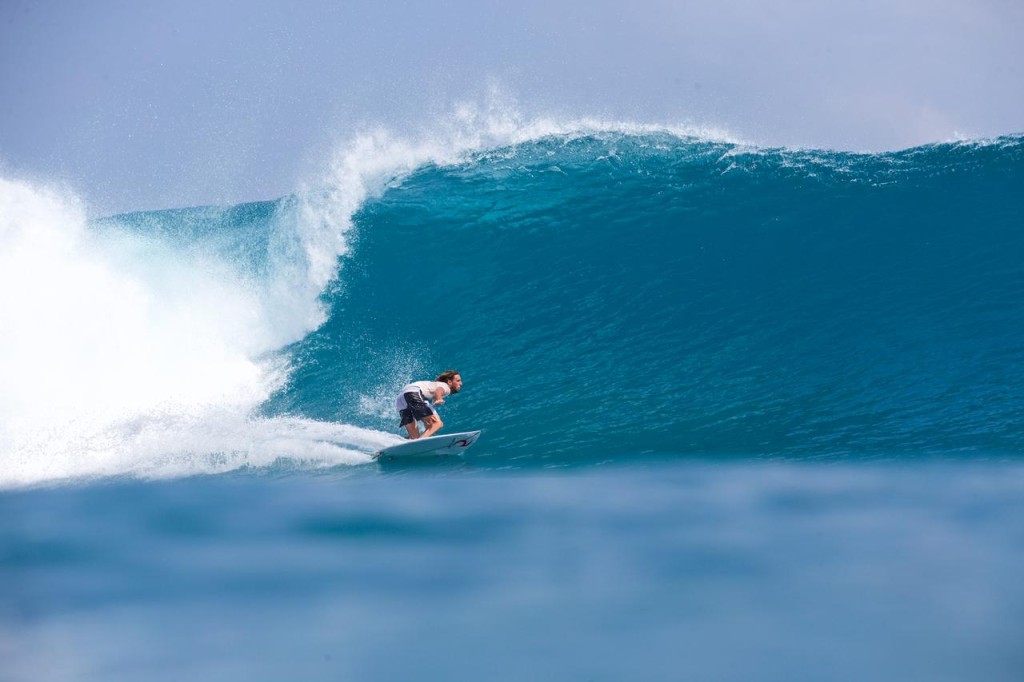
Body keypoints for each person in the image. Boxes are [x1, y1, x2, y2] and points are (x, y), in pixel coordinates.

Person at [396, 370, 463, 439]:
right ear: (449, 382)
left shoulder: (433, 385)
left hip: (400, 400)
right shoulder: (445, 386)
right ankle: (419, 443)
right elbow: (439, 390)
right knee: (437, 423)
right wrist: (439, 398)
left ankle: (400, 443)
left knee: (414, 437)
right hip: (413, 392)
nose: (461, 383)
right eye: (458, 381)